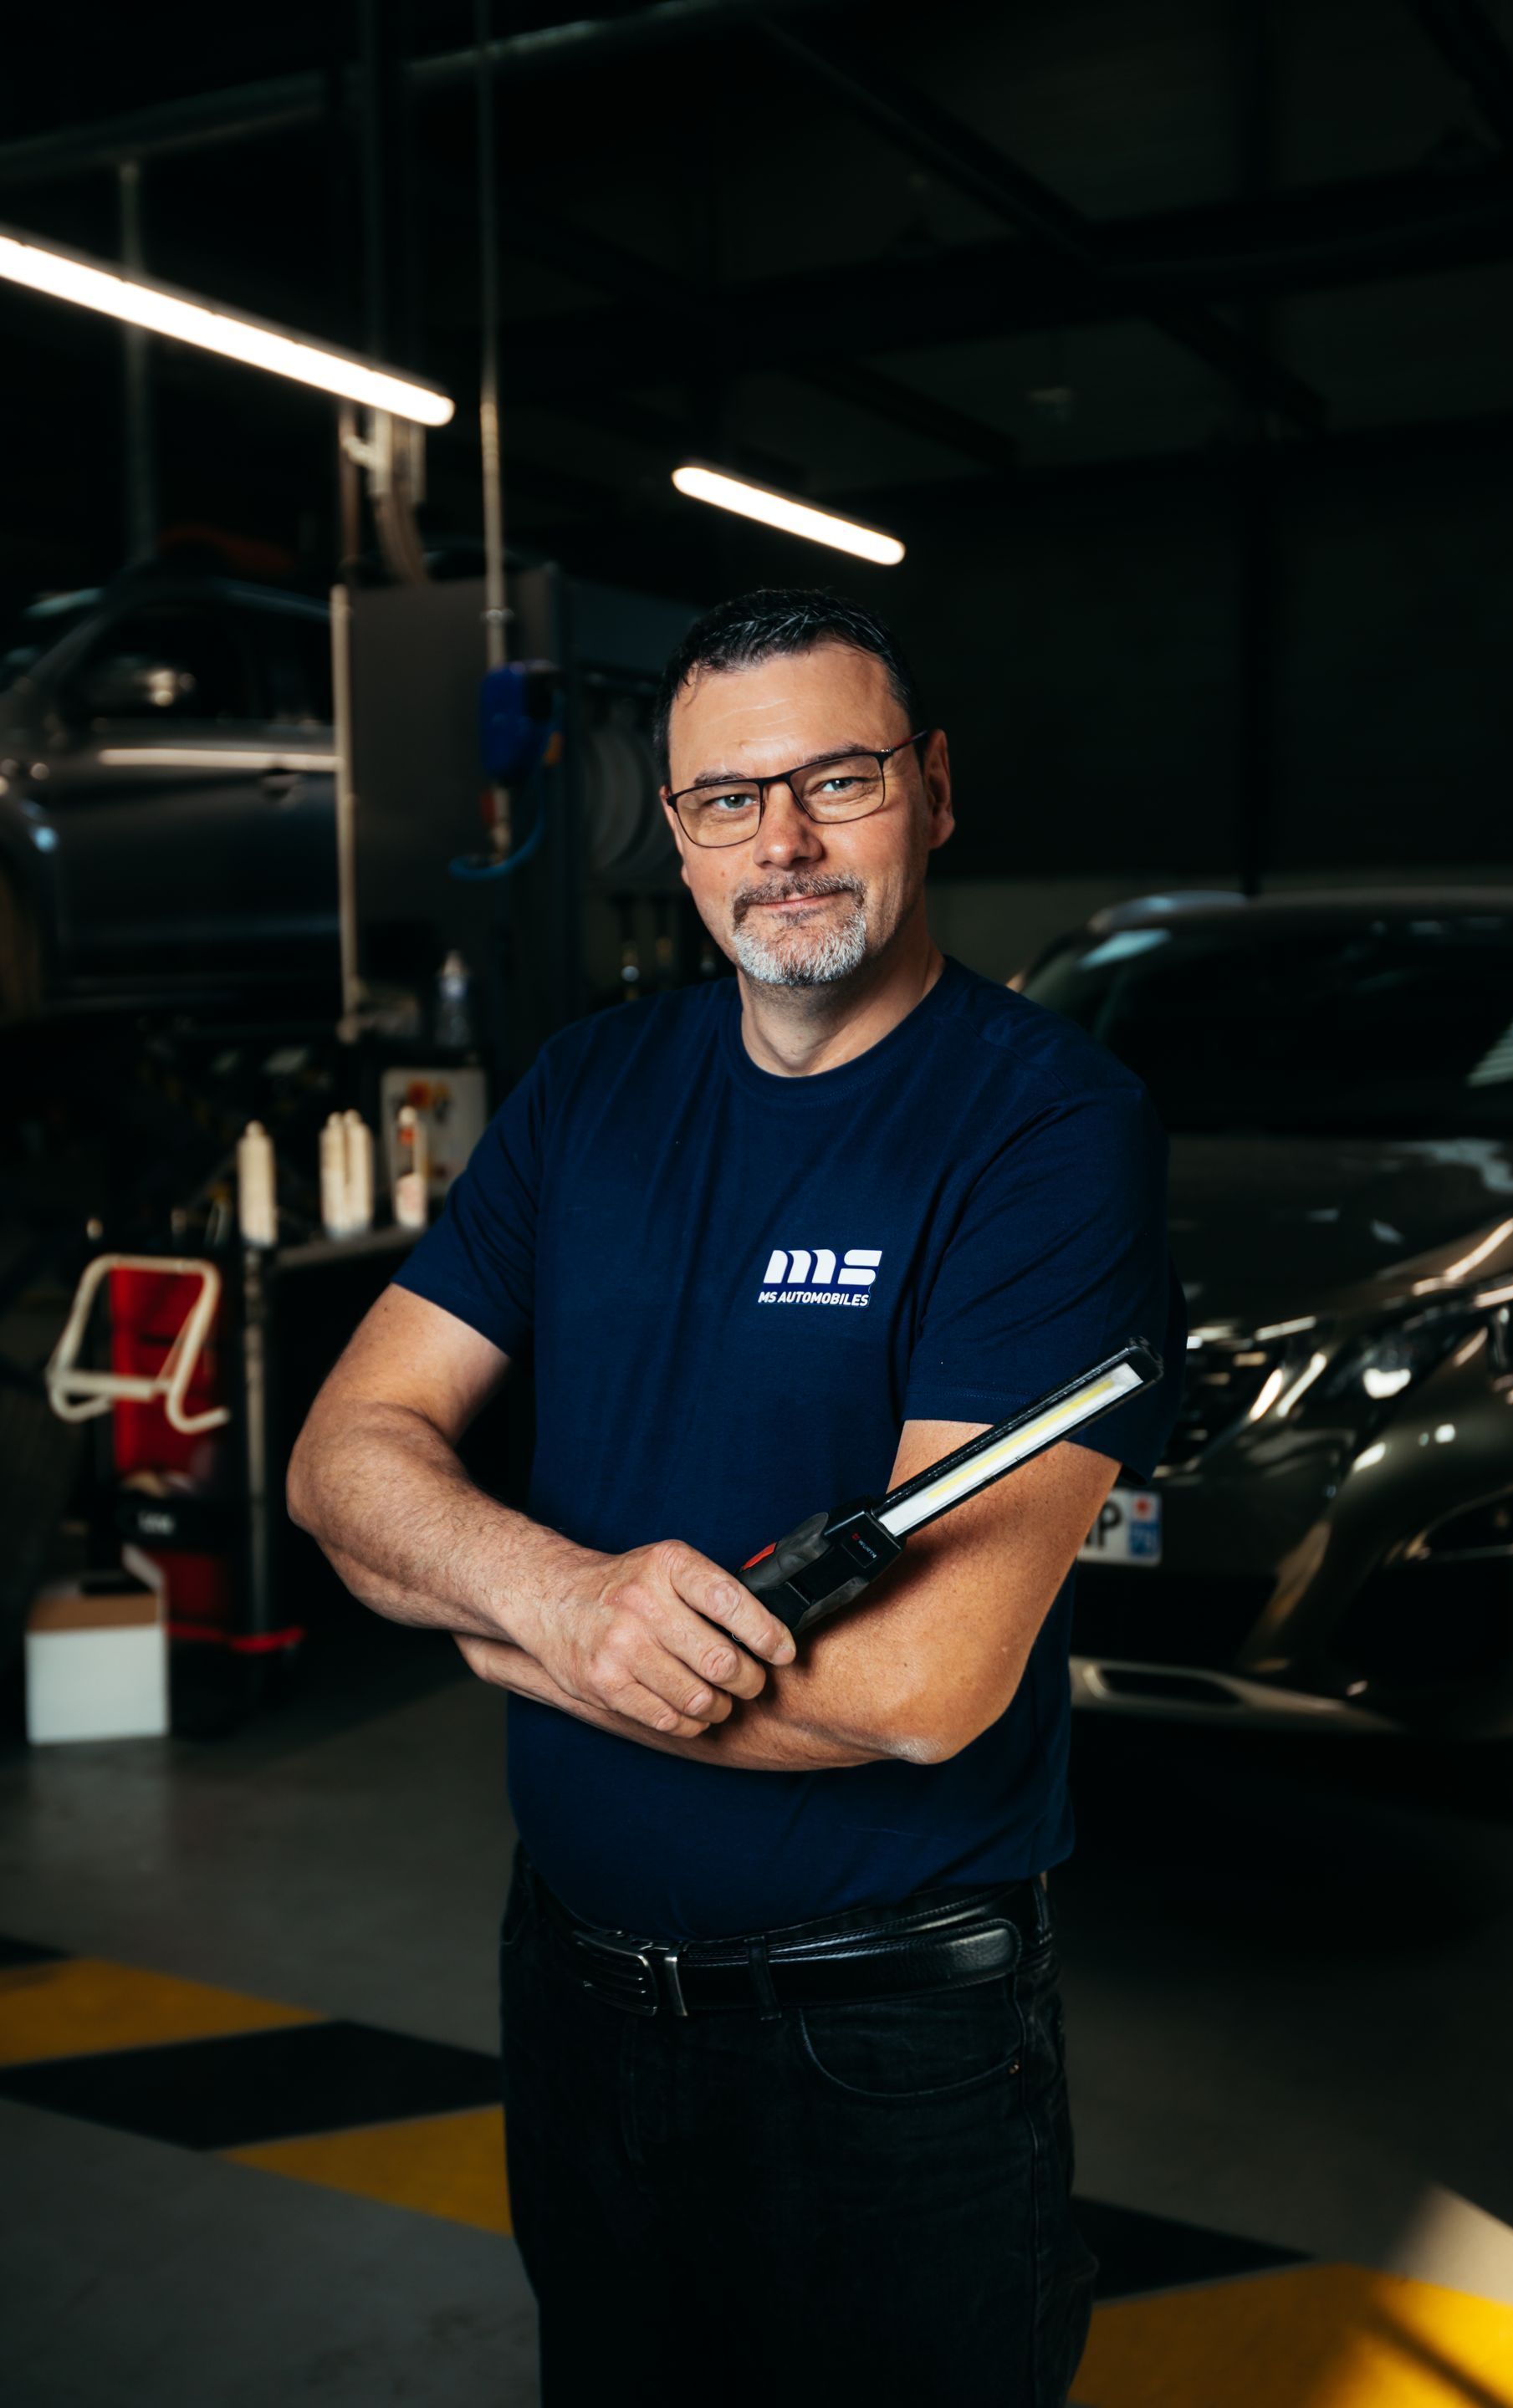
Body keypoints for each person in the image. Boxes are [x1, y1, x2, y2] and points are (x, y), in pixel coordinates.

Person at [289, 587, 1187, 2406]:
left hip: (886, 2048)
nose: (781, 844)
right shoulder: (589, 1093)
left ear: (932, 791)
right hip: (576, 2000)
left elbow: (928, 1690)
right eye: (725, 800)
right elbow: (341, 1455)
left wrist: (497, 1642)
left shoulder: (1047, 1129)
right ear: (676, 837)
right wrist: (559, 1600)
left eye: (836, 780)